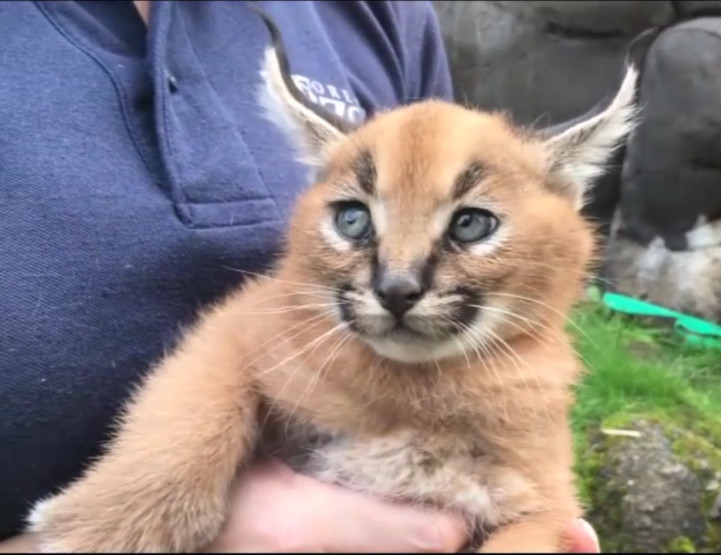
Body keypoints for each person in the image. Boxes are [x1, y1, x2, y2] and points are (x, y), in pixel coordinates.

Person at [0, 1, 601, 552]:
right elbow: (237, 339)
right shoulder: (291, 334)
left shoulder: (379, 14)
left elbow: (542, 514)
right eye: (354, 219)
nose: (396, 281)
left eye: (469, 226)